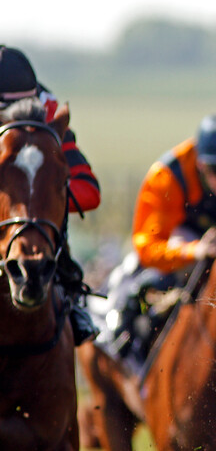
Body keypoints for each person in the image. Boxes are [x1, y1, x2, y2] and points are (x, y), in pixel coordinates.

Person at [0, 45, 101, 345]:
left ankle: (75, 310)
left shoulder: (47, 127)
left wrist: (42, 195)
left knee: (52, 238)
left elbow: (90, 192)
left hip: (27, 230)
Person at [132, 112, 216, 275]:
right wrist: (194, 250)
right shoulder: (168, 176)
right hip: (186, 247)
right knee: (145, 284)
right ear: (201, 165)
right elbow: (147, 249)